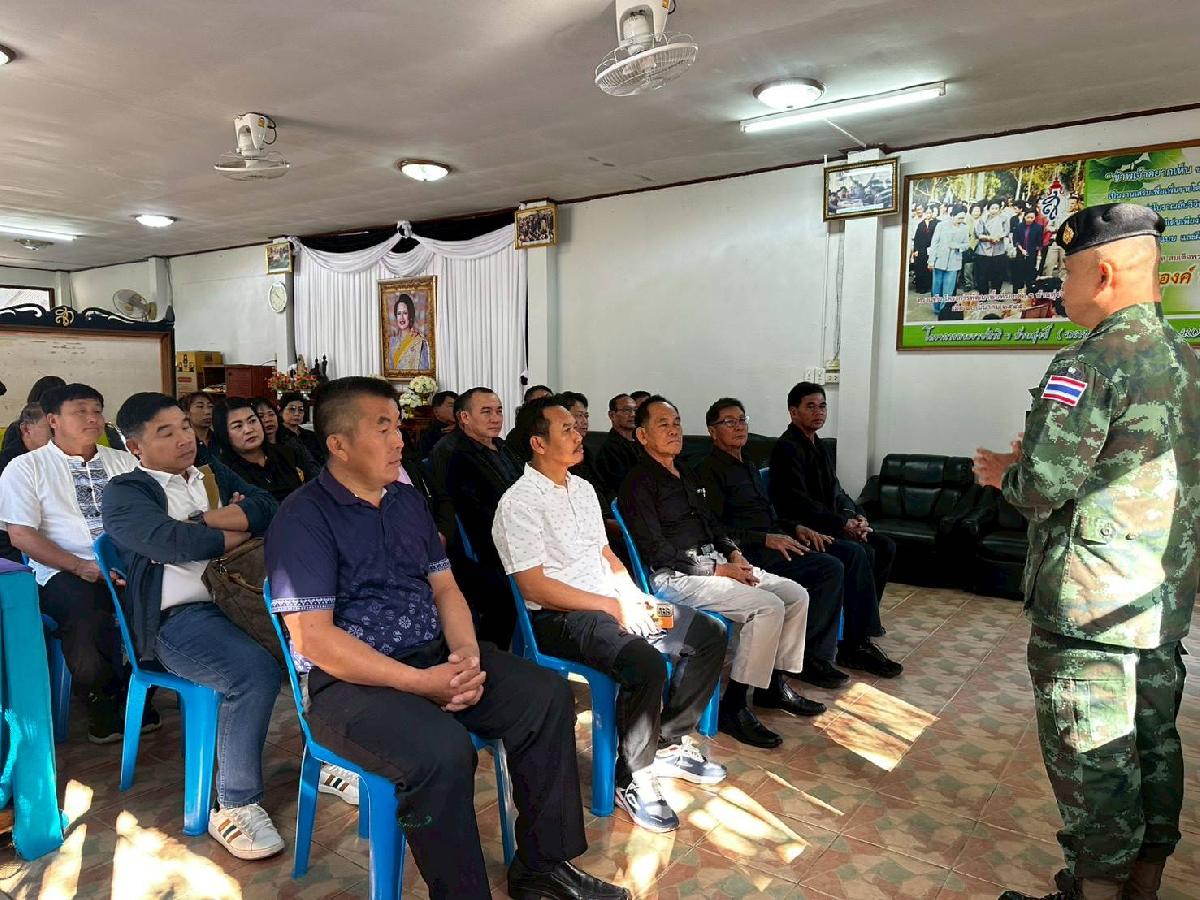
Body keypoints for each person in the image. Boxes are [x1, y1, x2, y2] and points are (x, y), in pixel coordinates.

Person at [265, 377, 628, 900]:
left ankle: (543, 867)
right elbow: (315, 640)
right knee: (443, 751)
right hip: (348, 684)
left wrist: (467, 657)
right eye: (382, 428)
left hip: (435, 656)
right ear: (338, 444)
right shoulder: (303, 518)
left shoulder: (406, 502)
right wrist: (420, 683)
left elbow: (445, 589)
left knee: (545, 696)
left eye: (398, 426)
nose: (399, 440)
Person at [973, 204, 1200, 900]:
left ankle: (1094, 890)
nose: (1058, 288)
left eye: (1064, 273)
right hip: (1157, 599)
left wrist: (1005, 472)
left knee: (1093, 754)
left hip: (1090, 605)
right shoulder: (1185, 358)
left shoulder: (1090, 360)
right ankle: (1143, 883)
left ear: (1101, 273)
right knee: (1152, 742)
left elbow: (1043, 483)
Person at [101, 392, 356, 859]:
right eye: (166, 433)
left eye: (184, 426)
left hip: (243, 599)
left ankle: (326, 757)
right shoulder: (125, 492)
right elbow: (170, 542)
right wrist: (234, 529)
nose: (184, 438)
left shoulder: (209, 472)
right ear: (135, 447)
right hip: (179, 617)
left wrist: (202, 521)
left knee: (322, 642)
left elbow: (268, 508)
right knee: (251, 672)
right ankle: (235, 805)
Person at [494, 397, 727, 833]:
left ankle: (666, 742)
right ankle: (632, 777)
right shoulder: (518, 503)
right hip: (562, 617)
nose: (578, 434)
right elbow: (533, 587)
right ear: (538, 443)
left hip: (611, 602)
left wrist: (634, 597)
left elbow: (606, 555)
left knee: (707, 634)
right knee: (644, 661)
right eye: (566, 429)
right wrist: (610, 606)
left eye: (576, 427)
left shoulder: (583, 489)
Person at [619, 396, 823, 751]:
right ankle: (735, 705)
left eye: (677, 423)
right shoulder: (638, 484)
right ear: (642, 435)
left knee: (795, 595)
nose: (674, 431)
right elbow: (657, 551)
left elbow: (713, 524)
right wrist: (718, 569)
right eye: (663, 425)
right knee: (768, 606)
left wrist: (733, 552)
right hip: (677, 577)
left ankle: (773, 684)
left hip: (715, 561)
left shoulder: (685, 472)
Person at [695, 398, 902, 684]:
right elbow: (715, 528)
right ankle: (812, 659)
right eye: (729, 422)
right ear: (712, 431)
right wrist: (765, 538)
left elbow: (771, 514)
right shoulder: (708, 471)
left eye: (742, 420)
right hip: (750, 551)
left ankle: (853, 642)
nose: (739, 427)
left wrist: (798, 528)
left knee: (852, 553)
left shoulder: (748, 464)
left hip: (779, 537)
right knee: (829, 567)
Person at [0, 383, 151, 743]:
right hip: (62, 569)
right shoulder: (25, 467)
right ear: (53, 420)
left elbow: (149, 513)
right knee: (86, 612)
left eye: (97, 410)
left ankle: (140, 687)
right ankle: (101, 694)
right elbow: (21, 535)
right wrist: (81, 566)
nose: (92, 418)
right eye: (80, 411)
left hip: (128, 564)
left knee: (168, 604)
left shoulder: (124, 462)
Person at [769, 382, 901, 675]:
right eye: (810, 406)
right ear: (793, 412)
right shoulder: (787, 448)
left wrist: (855, 517)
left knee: (884, 546)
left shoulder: (821, 445)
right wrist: (842, 524)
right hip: (803, 529)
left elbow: (837, 491)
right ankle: (854, 644)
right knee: (857, 553)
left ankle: (861, 626)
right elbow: (797, 503)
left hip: (830, 524)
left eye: (823, 406)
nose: (819, 412)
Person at [441, 387, 522, 647]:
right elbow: (475, 515)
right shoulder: (457, 455)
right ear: (464, 417)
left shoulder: (502, 446)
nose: (496, 418)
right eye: (486, 412)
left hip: (520, 531)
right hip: (487, 549)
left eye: (499, 411)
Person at [211, 398, 318, 502]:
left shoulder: (286, 453)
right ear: (224, 433)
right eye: (238, 426)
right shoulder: (222, 472)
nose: (249, 430)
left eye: (252, 421)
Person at [0, 403, 52, 562]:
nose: (60, 434)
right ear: (26, 429)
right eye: (51, 428)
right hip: (11, 547)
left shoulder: (55, 459)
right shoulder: (8, 466)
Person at [595, 393, 641, 499]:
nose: (633, 414)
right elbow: (622, 487)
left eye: (635, 410)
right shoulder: (609, 450)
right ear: (612, 415)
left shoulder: (642, 443)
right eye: (627, 410)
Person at [929, 207, 972, 319]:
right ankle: (936, 308)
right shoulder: (941, 225)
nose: (961, 220)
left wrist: (957, 246)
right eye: (959, 218)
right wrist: (931, 260)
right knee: (936, 287)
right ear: (952, 215)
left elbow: (967, 244)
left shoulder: (965, 228)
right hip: (939, 260)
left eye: (963, 218)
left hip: (954, 262)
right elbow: (934, 243)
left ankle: (944, 309)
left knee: (948, 288)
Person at [279, 392, 327, 465]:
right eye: (292, 409)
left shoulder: (311, 435)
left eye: (301, 410)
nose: (297, 414)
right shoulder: (277, 435)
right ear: (281, 411)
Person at [974, 200, 1011, 295]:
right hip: (984, 250)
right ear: (988, 209)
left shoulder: (1004, 219)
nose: (994, 211)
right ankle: (983, 294)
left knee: (998, 274)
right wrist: (989, 238)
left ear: (999, 209)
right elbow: (978, 234)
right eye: (992, 208)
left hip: (998, 250)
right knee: (983, 274)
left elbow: (1006, 232)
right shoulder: (982, 219)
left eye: (996, 208)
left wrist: (998, 237)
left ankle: (996, 293)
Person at [388, 293, 431, 371]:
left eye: (405, 313)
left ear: (410, 315)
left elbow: (424, 372)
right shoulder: (391, 342)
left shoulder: (419, 342)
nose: (401, 318)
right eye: (399, 313)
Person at [1013, 208, 1046, 294]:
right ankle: (1017, 293)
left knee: (1030, 274)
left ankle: (1029, 293)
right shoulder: (1019, 226)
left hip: (1032, 253)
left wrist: (1038, 254)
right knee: (1018, 273)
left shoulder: (1038, 227)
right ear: (1024, 217)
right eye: (1028, 217)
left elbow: (1039, 242)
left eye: (1032, 218)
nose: (1030, 219)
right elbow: (1016, 240)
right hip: (1020, 252)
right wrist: (1021, 250)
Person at [418, 389, 459, 458]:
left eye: (457, 406)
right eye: (451, 406)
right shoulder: (429, 434)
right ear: (436, 410)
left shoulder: (463, 428)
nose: (456, 409)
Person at [910, 206, 938, 293]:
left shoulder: (936, 223)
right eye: (927, 213)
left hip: (931, 249)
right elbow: (917, 238)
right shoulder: (921, 224)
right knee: (919, 269)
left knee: (928, 269)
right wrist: (916, 250)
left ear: (932, 213)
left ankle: (927, 287)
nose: (928, 214)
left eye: (930, 213)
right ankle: (919, 287)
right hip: (921, 249)